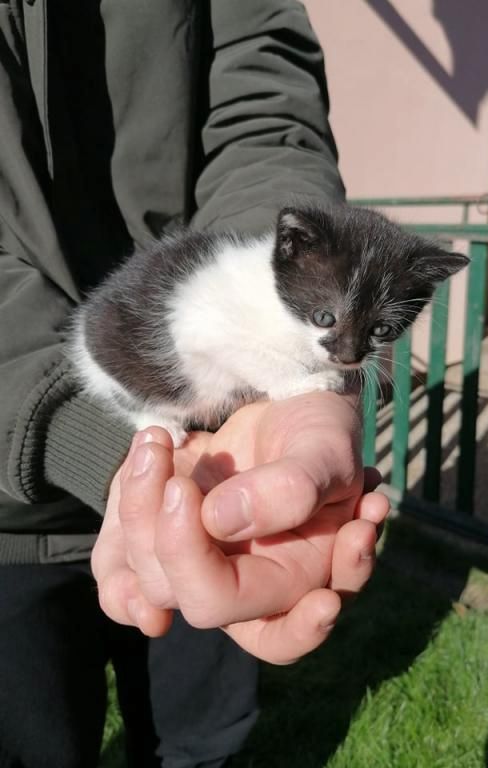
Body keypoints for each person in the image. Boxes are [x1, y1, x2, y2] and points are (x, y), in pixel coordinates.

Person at [0, 1, 388, 767]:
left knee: (201, 745)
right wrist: (102, 438)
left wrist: (294, 365)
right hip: (16, 510)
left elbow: (265, 111)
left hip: (217, 459)